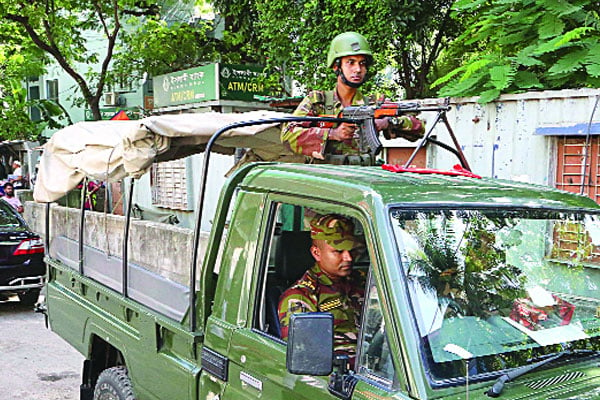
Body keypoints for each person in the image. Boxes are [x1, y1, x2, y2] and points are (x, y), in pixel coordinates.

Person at [281, 31, 425, 165]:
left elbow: (419, 128)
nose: (357, 69)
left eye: (362, 63)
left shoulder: (375, 103)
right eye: (351, 62)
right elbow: (288, 135)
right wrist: (332, 134)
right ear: (336, 67)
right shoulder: (318, 101)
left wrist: (387, 123)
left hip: (364, 177)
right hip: (326, 178)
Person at [278, 214, 366, 363]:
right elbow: (305, 358)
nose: (348, 258)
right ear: (316, 253)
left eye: (351, 250)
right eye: (338, 251)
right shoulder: (301, 296)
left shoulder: (362, 282)